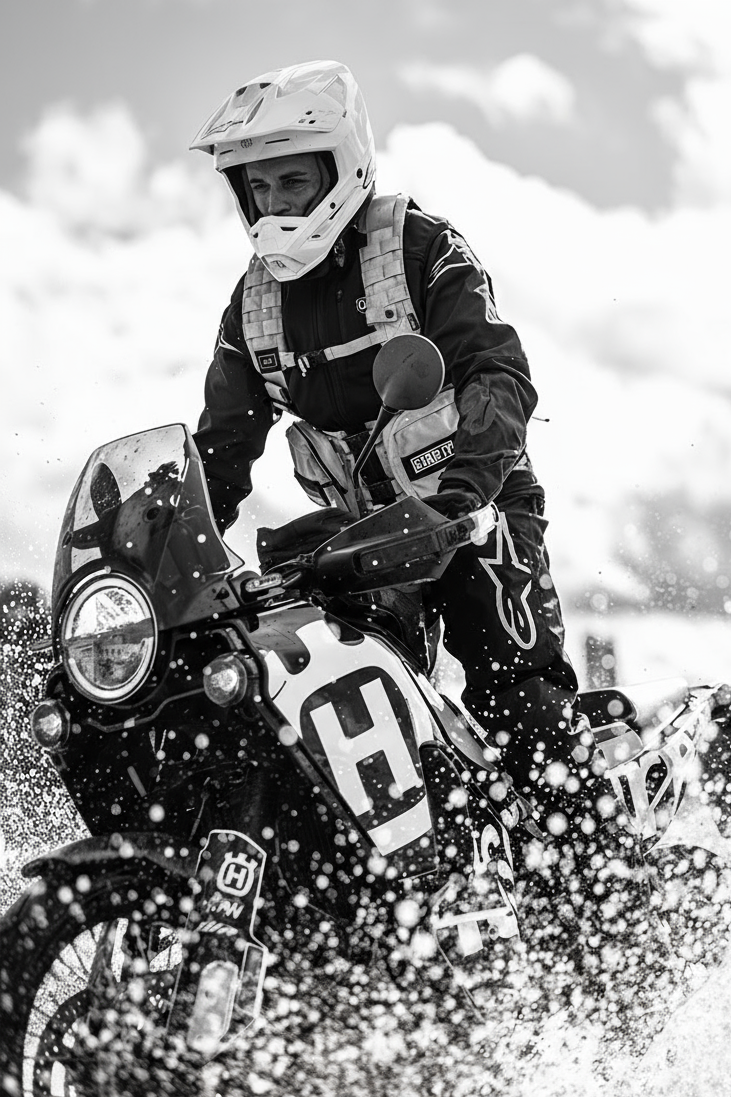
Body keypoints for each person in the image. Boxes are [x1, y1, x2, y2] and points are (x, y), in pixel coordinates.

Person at [189, 59, 583, 833]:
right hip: (361, 543)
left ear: (343, 165)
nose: (273, 206)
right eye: (257, 190)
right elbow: (220, 447)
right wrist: (177, 541)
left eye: (291, 183)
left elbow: (497, 372)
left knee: (517, 703)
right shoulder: (254, 305)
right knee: (301, 697)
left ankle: (588, 897)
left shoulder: (418, 249)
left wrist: (465, 491)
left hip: (475, 514)